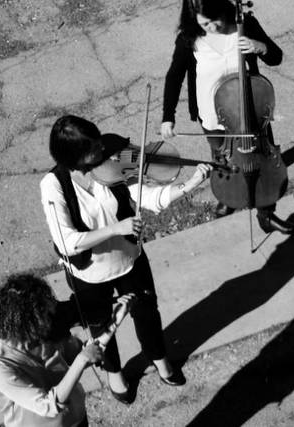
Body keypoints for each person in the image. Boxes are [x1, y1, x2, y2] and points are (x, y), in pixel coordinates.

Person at [40, 115, 212, 404]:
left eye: (97, 141)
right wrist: (115, 229)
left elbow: (149, 197)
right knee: (101, 326)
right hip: (89, 273)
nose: (101, 149)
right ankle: (114, 372)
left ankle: (159, 358)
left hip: (130, 258)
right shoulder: (53, 185)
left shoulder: (114, 159)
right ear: (73, 157)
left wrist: (190, 183)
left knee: (147, 312)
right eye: (92, 148)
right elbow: (67, 243)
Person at [161, 0, 294, 234]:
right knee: (224, 159)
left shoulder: (245, 24)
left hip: (251, 112)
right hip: (213, 113)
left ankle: (266, 213)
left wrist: (259, 46)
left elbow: (276, 57)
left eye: (215, 21)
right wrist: (167, 116)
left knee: (259, 160)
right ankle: (230, 196)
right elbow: (174, 76)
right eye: (205, 23)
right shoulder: (189, 37)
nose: (211, 27)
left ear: (224, 10)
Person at [0, 273, 134, 427]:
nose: (52, 317)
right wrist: (81, 360)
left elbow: (86, 353)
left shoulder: (44, 334)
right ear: (27, 324)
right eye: (45, 314)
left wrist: (114, 322)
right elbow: (47, 405)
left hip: (76, 417)